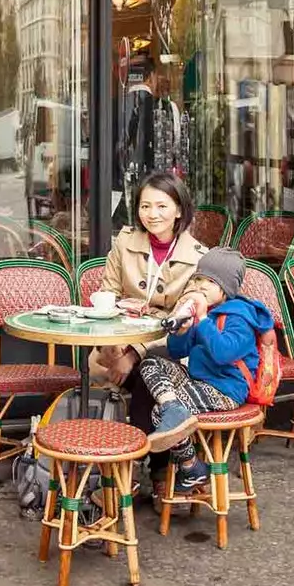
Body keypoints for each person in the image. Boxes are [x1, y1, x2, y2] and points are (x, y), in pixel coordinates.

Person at [94, 170, 210, 497]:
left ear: (179, 210)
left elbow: (185, 322)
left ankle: (131, 471)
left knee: (147, 373)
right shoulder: (124, 242)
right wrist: (119, 347)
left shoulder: (199, 257)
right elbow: (109, 294)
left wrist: (134, 354)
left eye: (161, 206)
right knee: (137, 375)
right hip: (119, 339)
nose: (152, 214)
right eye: (145, 206)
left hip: (173, 350)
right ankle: (160, 473)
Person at [139, 248, 273, 484]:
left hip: (226, 389)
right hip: (199, 379)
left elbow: (223, 353)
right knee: (150, 361)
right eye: (198, 278)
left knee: (159, 414)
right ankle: (173, 406)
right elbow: (177, 351)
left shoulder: (240, 317)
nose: (200, 286)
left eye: (210, 281)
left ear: (227, 288)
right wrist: (182, 330)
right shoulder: (207, 313)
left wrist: (201, 320)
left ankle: (192, 466)